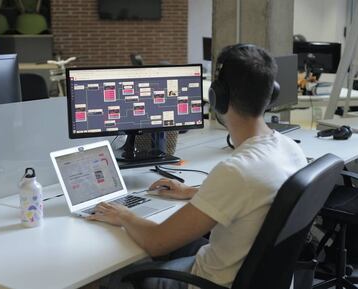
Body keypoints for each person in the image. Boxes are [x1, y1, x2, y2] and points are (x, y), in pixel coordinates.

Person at [87, 44, 307, 288]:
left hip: (213, 282)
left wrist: (124, 214)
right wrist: (192, 192)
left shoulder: (236, 171)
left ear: (217, 97)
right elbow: (254, 197)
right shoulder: (289, 148)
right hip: (259, 276)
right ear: (271, 93)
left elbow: (156, 241)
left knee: (115, 278)